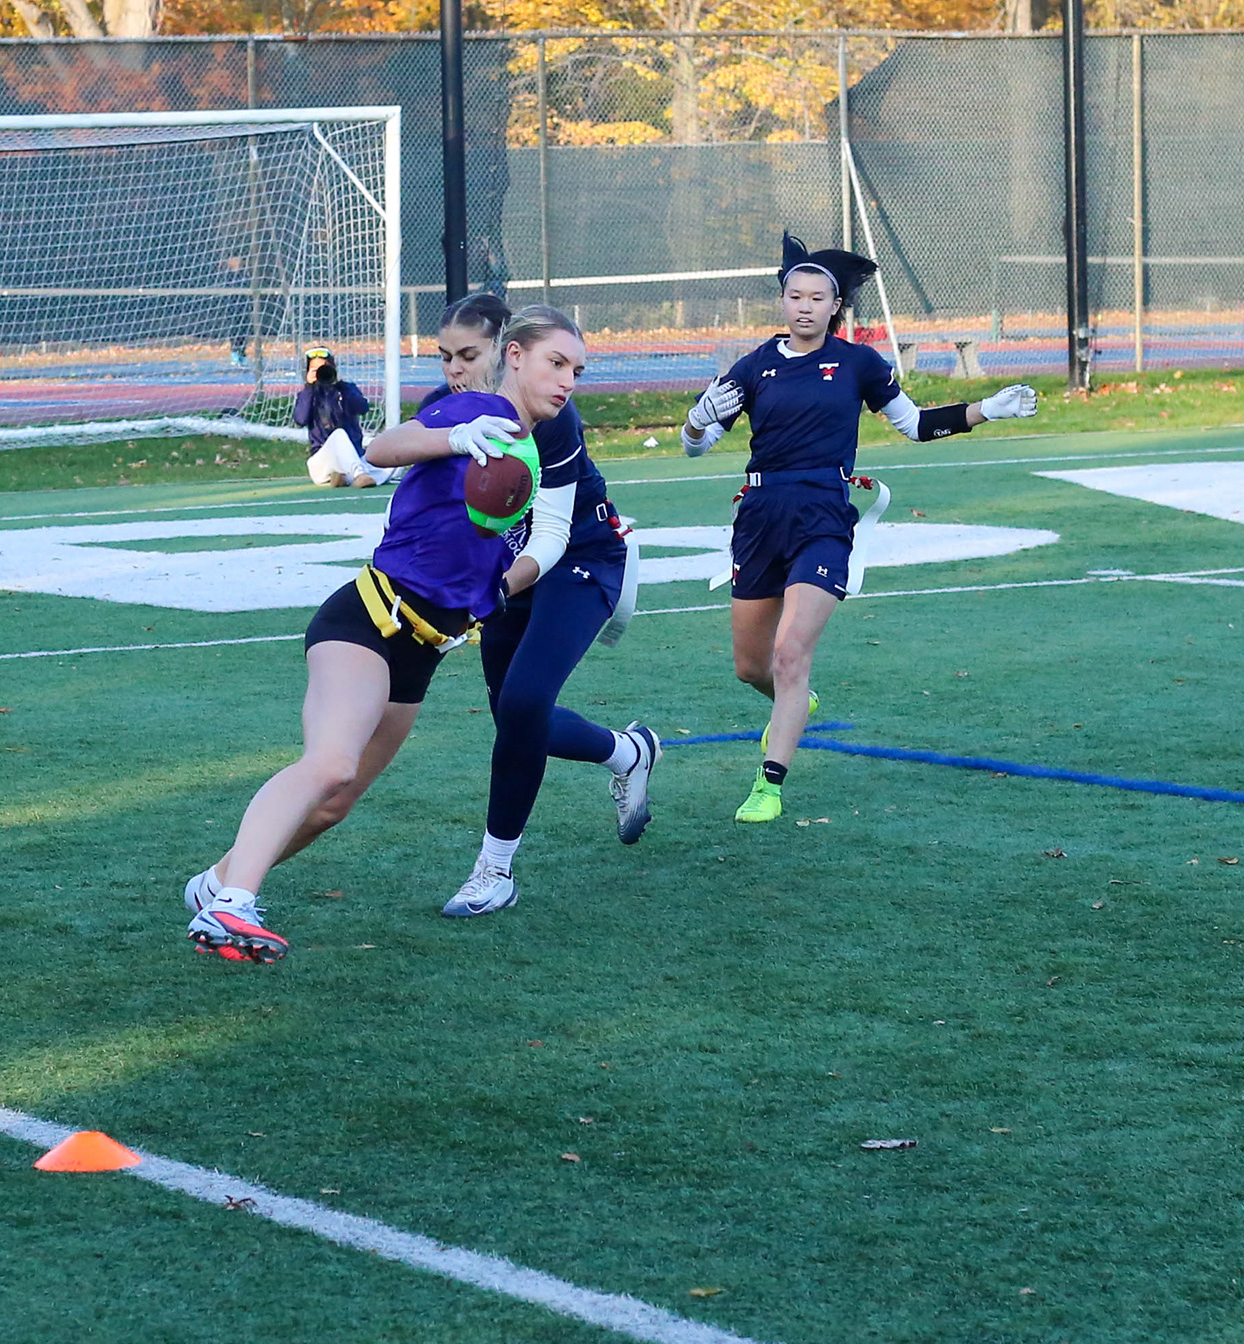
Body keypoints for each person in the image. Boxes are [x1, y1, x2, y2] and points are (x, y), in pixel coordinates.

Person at [181, 312, 583, 962]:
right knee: (330, 765)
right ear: (514, 356)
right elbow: (383, 448)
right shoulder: (477, 411)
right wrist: (455, 437)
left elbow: (489, 553)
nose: (567, 381)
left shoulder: (529, 447)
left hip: (421, 653)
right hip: (369, 620)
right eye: (555, 363)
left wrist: (500, 588)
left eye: (576, 371)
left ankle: (217, 882)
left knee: (332, 805)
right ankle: (233, 904)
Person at [681, 231, 1039, 824]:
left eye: (816, 298)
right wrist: (697, 423)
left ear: (835, 306)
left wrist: (986, 410)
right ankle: (798, 702)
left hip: (823, 515)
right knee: (752, 666)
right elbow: (696, 445)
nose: (804, 307)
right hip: (760, 517)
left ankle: (769, 784)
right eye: (795, 296)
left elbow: (915, 425)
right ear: (783, 300)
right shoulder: (752, 366)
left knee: (791, 653)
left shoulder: (859, 364)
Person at [437, 304, 660, 919]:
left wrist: (494, 590)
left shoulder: (553, 419)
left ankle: (494, 871)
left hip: (578, 560)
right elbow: (400, 466)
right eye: (446, 357)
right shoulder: (449, 409)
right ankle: (628, 753)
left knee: (525, 703)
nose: (455, 370)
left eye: (468, 355)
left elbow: (554, 534)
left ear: (505, 354)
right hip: (512, 571)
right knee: (513, 718)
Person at [294, 347, 389, 488]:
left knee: (395, 463)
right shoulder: (308, 394)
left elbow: (362, 408)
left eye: (324, 368)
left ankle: (346, 477)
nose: (321, 373)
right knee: (339, 434)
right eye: (315, 370)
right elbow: (300, 419)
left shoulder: (345, 389)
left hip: (354, 457)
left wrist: (340, 386)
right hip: (322, 461)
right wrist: (309, 388)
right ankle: (358, 475)